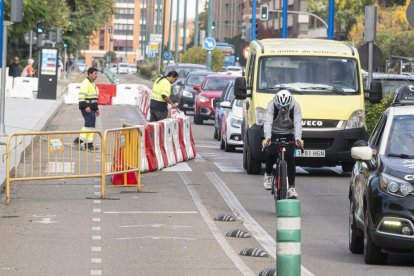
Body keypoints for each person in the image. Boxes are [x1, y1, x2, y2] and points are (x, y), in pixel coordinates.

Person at [262, 90, 303, 199]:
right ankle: (268, 174)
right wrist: (267, 138)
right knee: (270, 152)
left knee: (290, 157)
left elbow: (298, 123)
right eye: (281, 107)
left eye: (286, 107)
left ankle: (291, 188)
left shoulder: (295, 106)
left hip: (289, 132)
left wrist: (298, 138)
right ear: (277, 103)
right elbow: (268, 122)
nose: (283, 109)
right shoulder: (271, 105)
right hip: (274, 132)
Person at [73, 67, 100, 150]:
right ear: (90, 74)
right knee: (88, 125)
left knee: (91, 126)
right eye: (95, 74)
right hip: (86, 108)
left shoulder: (92, 84)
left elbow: (94, 98)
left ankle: (89, 144)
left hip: (91, 108)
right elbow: (81, 97)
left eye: (97, 74)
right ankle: (78, 141)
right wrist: (85, 107)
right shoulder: (86, 83)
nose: (96, 75)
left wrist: (96, 109)